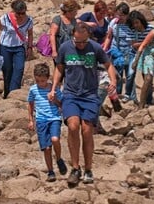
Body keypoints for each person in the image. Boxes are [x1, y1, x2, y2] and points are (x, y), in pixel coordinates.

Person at [48, 23, 118, 186]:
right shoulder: (65, 48)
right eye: (77, 42)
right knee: (73, 126)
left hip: (89, 95)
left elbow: (108, 65)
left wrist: (113, 80)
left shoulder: (95, 48)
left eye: (83, 42)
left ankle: (88, 169)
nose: (80, 45)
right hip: (71, 94)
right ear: (73, 36)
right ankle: (75, 168)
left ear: (88, 37)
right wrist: (54, 87)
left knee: (87, 130)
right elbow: (59, 68)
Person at [27, 62, 68, 182]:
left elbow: (62, 104)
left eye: (43, 81)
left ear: (48, 78)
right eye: (38, 81)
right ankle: (50, 171)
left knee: (55, 139)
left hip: (54, 118)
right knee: (46, 148)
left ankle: (59, 158)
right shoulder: (33, 90)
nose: (40, 83)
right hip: (41, 120)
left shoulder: (53, 88)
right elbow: (30, 104)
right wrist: (31, 120)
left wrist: (54, 99)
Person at [0, 0, 34, 99]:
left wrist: (29, 47)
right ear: (14, 11)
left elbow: (30, 34)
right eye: (18, 13)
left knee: (19, 69)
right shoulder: (6, 17)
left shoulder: (29, 20)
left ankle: (14, 93)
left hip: (19, 47)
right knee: (7, 70)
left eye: (23, 13)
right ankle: (7, 92)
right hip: (5, 46)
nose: (21, 15)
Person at [122, 10, 154, 105]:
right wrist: (146, 42)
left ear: (141, 20)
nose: (136, 25)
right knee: (130, 74)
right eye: (133, 23)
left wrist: (144, 44)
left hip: (148, 54)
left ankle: (148, 99)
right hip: (134, 53)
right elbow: (133, 45)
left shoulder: (151, 28)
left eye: (137, 22)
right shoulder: (132, 30)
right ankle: (128, 95)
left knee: (147, 77)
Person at [102, 2, 130, 96]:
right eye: (118, 14)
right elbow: (109, 36)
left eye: (122, 15)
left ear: (127, 15)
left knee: (130, 74)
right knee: (117, 74)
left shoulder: (131, 24)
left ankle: (129, 95)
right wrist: (105, 49)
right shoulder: (114, 22)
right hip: (115, 51)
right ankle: (117, 95)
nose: (119, 17)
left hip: (128, 51)